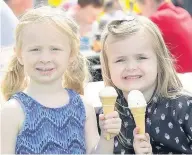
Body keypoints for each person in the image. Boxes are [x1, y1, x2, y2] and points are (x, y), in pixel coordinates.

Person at [0, 6, 121, 154]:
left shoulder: (83, 107)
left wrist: (107, 136)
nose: (45, 58)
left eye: (55, 49)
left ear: (71, 55)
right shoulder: (13, 111)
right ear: (19, 54)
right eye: (35, 49)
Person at [100, 15, 192, 154]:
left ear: (159, 61)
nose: (131, 67)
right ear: (108, 67)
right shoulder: (111, 113)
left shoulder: (183, 107)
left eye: (141, 57)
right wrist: (105, 138)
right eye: (120, 60)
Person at [135, 0, 192, 73]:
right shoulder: (183, 12)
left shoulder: (155, 20)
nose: (140, 12)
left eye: (138, 6)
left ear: (149, 2)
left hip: (180, 78)